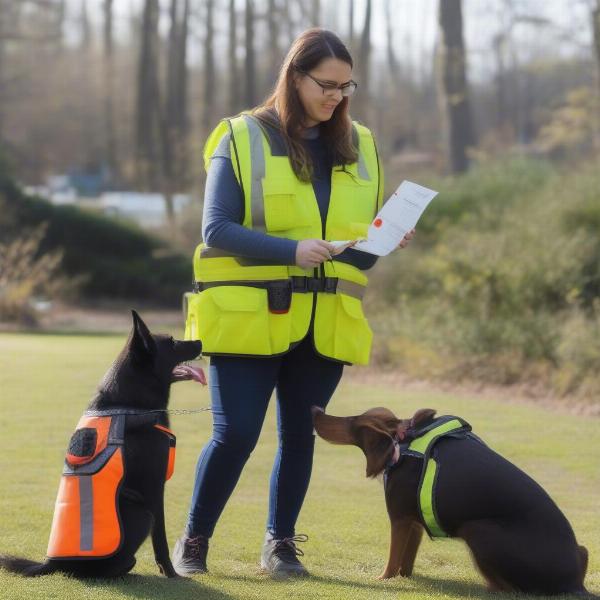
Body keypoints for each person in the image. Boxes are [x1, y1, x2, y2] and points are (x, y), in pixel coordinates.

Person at [174, 27, 415, 579]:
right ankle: (194, 541)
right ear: (295, 77)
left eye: (346, 86)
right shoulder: (240, 137)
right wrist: (292, 250)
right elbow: (216, 228)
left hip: (326, 319)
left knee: (298, 434)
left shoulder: (363, 145)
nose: (336, 96)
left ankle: (280, 545)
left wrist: (382, 242)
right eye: (326, 84)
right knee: (235, 433)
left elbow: (360, 262)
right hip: (251, 315)